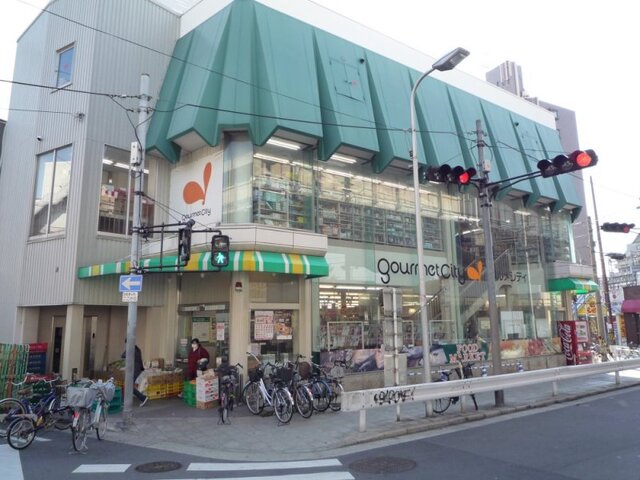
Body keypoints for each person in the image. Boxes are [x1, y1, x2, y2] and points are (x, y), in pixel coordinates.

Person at [121, 342, 148, 407]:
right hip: (137, 369)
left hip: (133, 370)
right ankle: (125, 402)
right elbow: (140, 360)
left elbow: (123, 355)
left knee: (129, 386)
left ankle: (142, 398)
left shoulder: (131, 349)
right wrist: (142, 368)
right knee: (128, 386)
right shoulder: (138, 349)